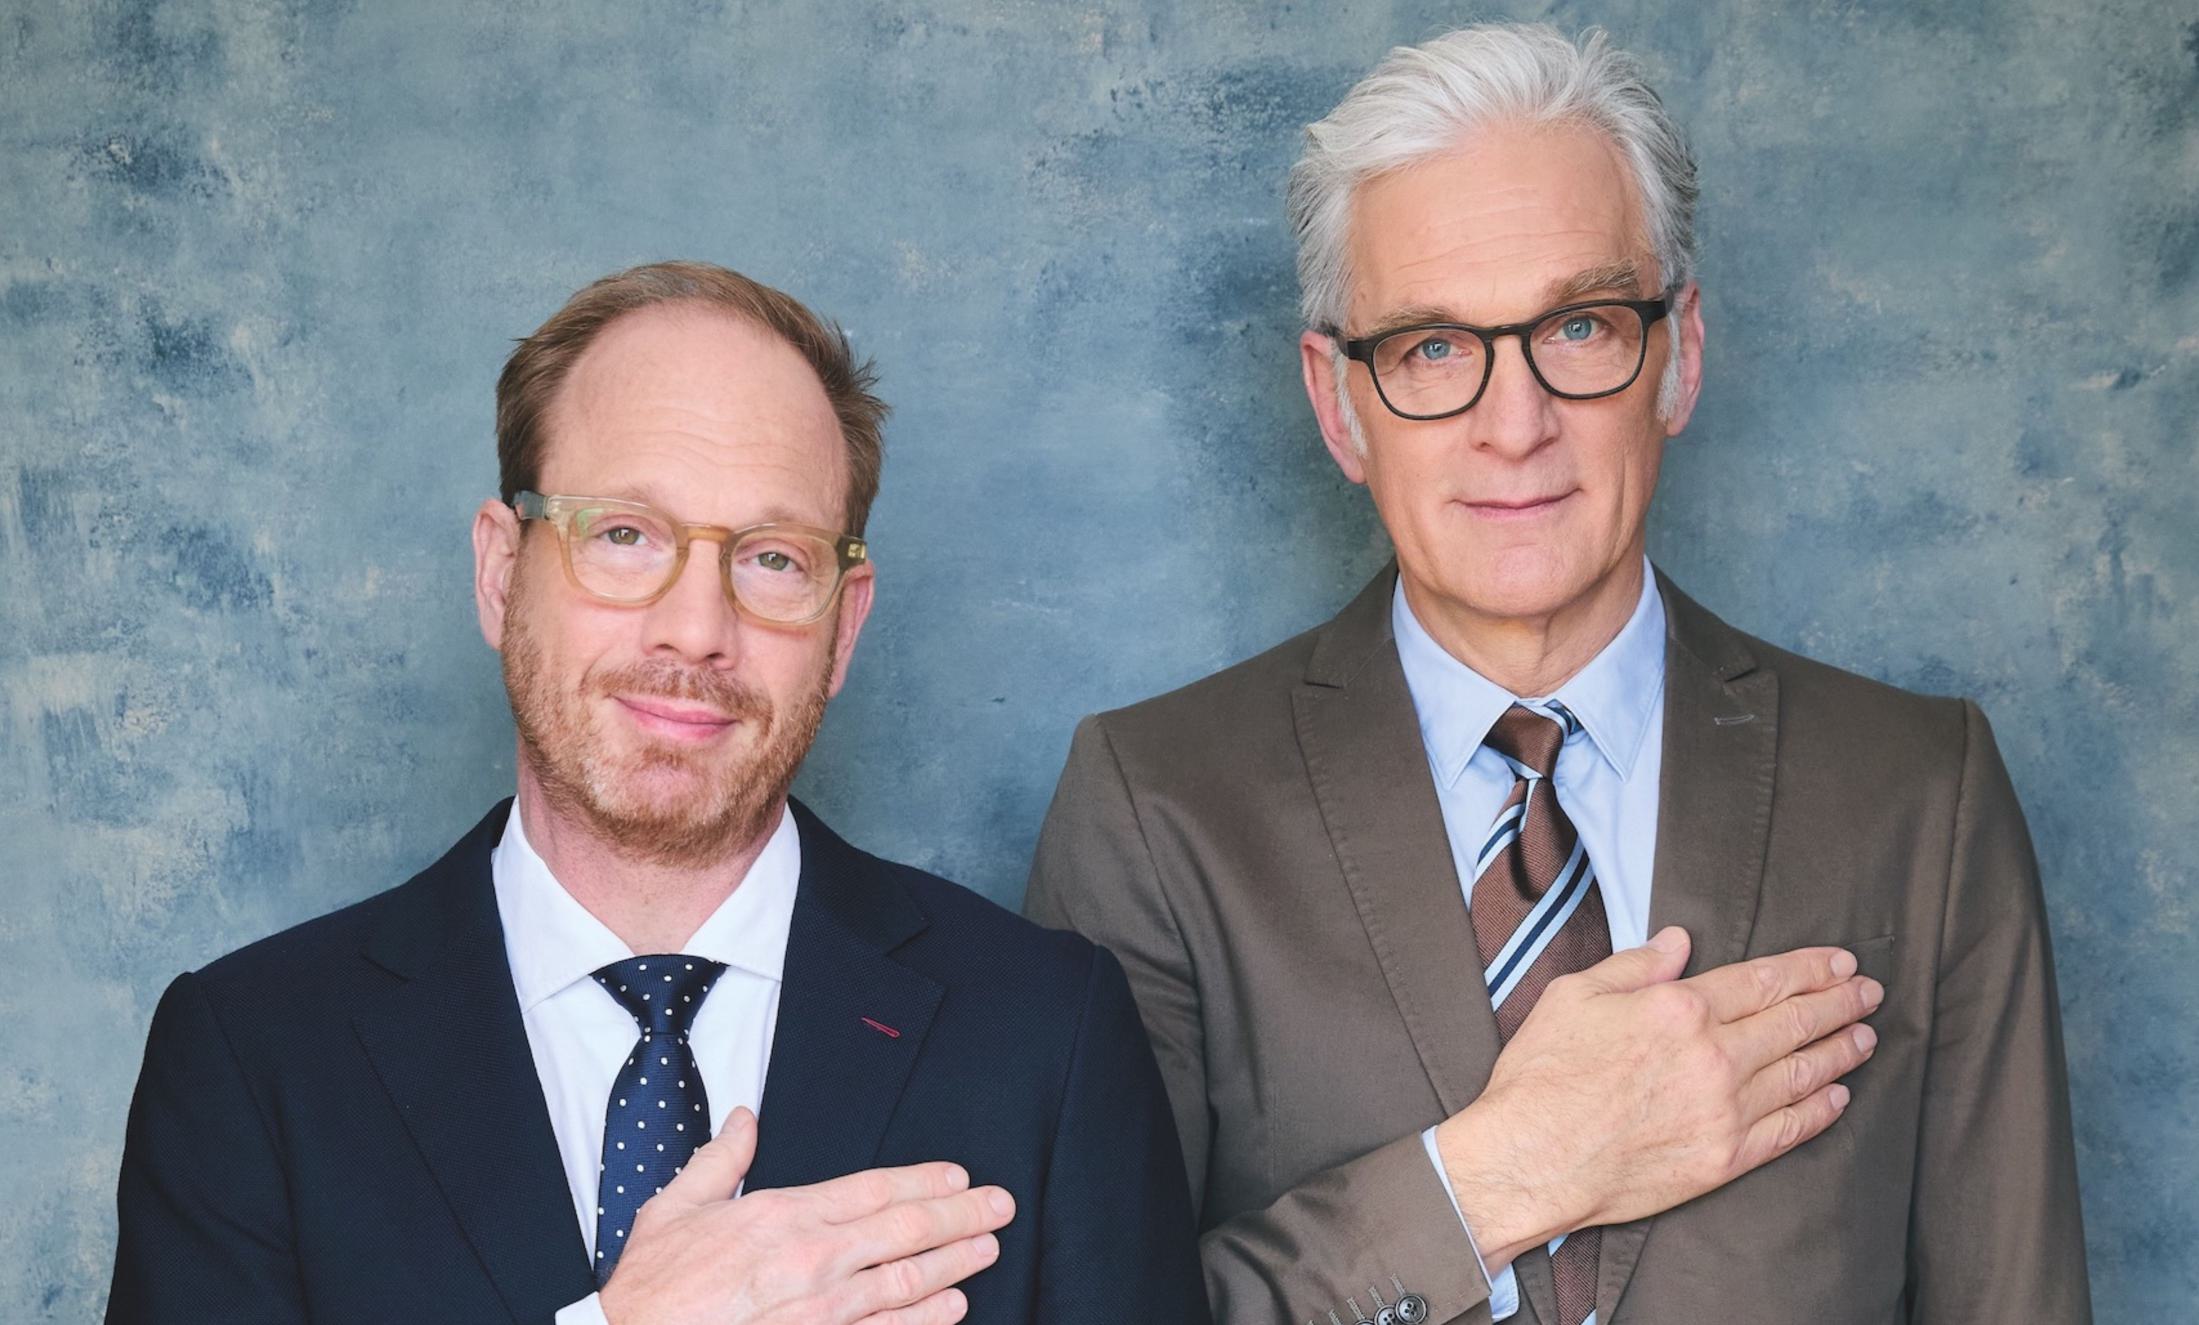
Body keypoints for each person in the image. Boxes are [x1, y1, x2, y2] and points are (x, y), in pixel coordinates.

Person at [1025, 24, 2088, 1325]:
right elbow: (1074, 1308)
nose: (1513, 423)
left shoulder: (1921, 799)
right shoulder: (1153, 809)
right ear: (1338, 405)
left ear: (1677, 354)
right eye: (1430, 347)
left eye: (1578, 325)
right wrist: (1493, 1178)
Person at [109, 261, 1207, 1325]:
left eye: (773, 558)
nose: (696, 628)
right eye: (625, 535)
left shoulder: (1045, 1032)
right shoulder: (254, 1056)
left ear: (843, 625)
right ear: (501, 573)